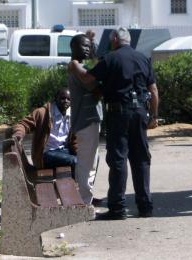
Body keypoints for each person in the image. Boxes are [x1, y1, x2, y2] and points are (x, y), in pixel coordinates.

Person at [69, 27, 159, 220]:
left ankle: (118, 208)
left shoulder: (110, 58)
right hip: (141, 112)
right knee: (141, 159)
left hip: (119, 113)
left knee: (118, 159)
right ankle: (145, 207)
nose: (111, 43)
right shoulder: (143, 58)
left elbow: (87, 78)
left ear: (116, 39)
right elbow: (154, 89)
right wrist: (154, 115)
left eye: (111, 40)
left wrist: (74, 64)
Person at [68, 34, 103, 206]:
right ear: (73, 47)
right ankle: (83, 201)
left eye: (90, 46)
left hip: (90, 121)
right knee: (86, 163)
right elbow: (93, 87)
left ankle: (85, 197)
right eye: (84, 45)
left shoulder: (82, 66)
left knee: (92, 163)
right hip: (85, 121)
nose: (88, 49)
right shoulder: (75, 66)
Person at [11, 88, 77, 171]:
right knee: (75, 161)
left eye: (69, 99)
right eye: (63, 98)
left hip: (64, 150)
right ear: (55, 98)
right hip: (47, 154)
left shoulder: (73, 116)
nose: (66, 101)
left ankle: (78, 182)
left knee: (87, 159)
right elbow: (23, 124)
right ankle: (77, 184)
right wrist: (19, 133)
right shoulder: (42, 113)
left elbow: (75, 140)